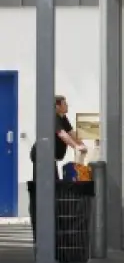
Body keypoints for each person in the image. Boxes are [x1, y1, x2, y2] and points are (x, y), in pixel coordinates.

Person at [29, 95, 87, 243]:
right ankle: (43, 219)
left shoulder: (63, 118)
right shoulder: (53, 118)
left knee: (55, 186)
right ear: (57, 106)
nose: (67, 106)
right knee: (46, 187)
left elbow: (72, 133)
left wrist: (82, 145)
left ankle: (53, 221)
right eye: (64, 104)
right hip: (42, 158)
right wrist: (76, 147)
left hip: (51, 158)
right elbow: (62, 135)